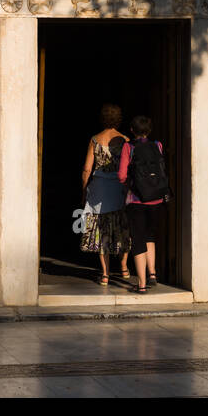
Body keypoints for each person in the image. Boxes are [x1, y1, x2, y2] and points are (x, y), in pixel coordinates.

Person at [79, 103, 131, 285]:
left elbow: (87, 169)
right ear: (118, 119)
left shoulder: (95, 140)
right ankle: (124, 267)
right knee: (122, 226)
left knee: (102, 229)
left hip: (100, 188)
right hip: (118, 188)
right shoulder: (125, 140)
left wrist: (84, 190)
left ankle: (105, 274)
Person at [118, 115, 170, 294]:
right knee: (150, 235)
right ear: (149, 130)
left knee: (138, 240)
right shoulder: (158, 145)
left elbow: (122, 175)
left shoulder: (128, 147)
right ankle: (152, 273)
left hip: (137, 200)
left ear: (132, 130)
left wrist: (131, 186)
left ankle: (141, 285)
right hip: (156, 199)